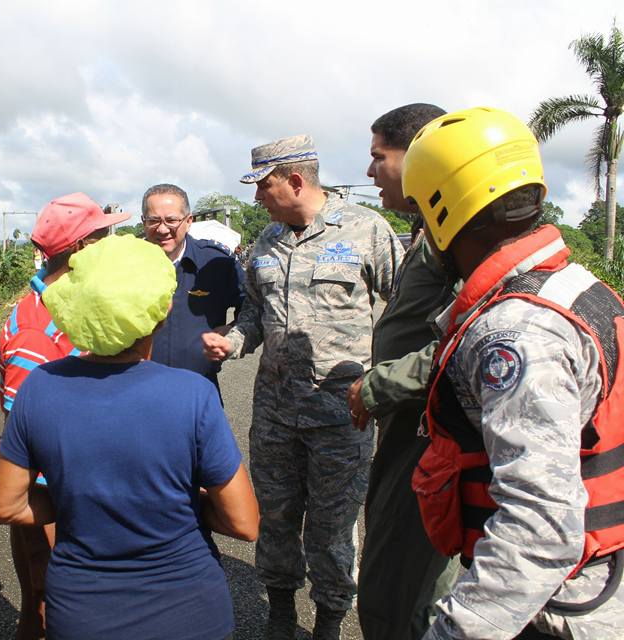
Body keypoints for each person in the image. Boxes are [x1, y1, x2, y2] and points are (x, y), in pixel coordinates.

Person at [403, 106, 624, 639]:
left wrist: (455, 631)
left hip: (550, 612)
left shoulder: (516, 333)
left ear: (443, 212)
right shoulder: (577, 287)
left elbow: (541, 528)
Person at [0, 234, 259, 640]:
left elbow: (7, 506)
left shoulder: (39, 388)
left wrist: (80, 500)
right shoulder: (192, 394)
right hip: (190, 614)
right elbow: (243, 522)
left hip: (81, 614)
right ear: (162, 310)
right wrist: (171, 503)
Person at [203, 135, 403, 640]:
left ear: (295, 180)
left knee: (334, 528)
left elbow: (405, 311)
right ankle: (281, 612)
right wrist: (234, 341)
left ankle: (331, 620)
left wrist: (386, 381)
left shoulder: (365, 229)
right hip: (275, 413)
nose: (257, 199)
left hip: (342, 414)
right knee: (276, 516)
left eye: (263, 187)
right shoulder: (266, 241)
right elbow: (254, 314)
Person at [346, 103, 461, 640]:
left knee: (404, 589)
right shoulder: (430, 232)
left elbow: (470, 340)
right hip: (410, 429)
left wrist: (378, 385)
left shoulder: (454, 238)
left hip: (429, 435)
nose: (371, 172)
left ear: (417, 158)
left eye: (379, 157)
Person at [0, 192, 128, 639]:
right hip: (48, 485)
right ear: (82, 249)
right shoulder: (36, 326)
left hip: (69, 480)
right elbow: (26, 435)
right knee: (52, 598)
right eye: (103, 237)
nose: (111, 245)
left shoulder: (70, 308)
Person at [142, 183, 245, 390]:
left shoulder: (216, 264)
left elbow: (255, 307)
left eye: (171, 220)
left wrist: (233, 330)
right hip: (139, 389)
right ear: (143, 222)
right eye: (153, 221)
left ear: (189, 221)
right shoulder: (125, 265)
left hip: (200, 386)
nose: (162, 229)